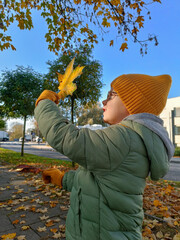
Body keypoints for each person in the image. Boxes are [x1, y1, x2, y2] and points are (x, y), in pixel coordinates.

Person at [34, 74, 174, 240]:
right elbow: (98, 181)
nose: (103, 102)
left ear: (133, 103)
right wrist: (63, 179)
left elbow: (67, 138)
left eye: (111, 95)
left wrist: (44, 104)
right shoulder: (132, 140)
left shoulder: (124, 138)